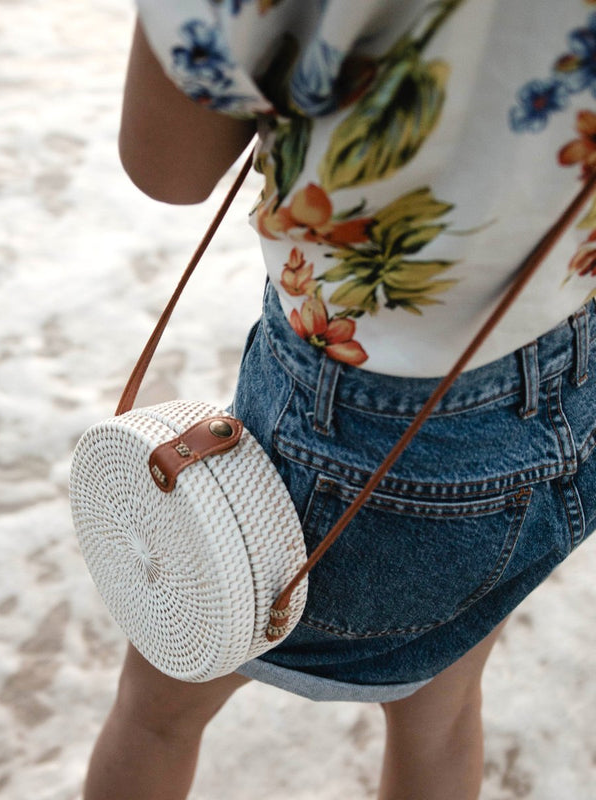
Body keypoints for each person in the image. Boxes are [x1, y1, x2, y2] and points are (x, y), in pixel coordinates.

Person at [84, 2, 596, 798]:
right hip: (574, 367)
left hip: (363, 417)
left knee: (160, 708)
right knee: (443, 713)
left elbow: (167, 168)